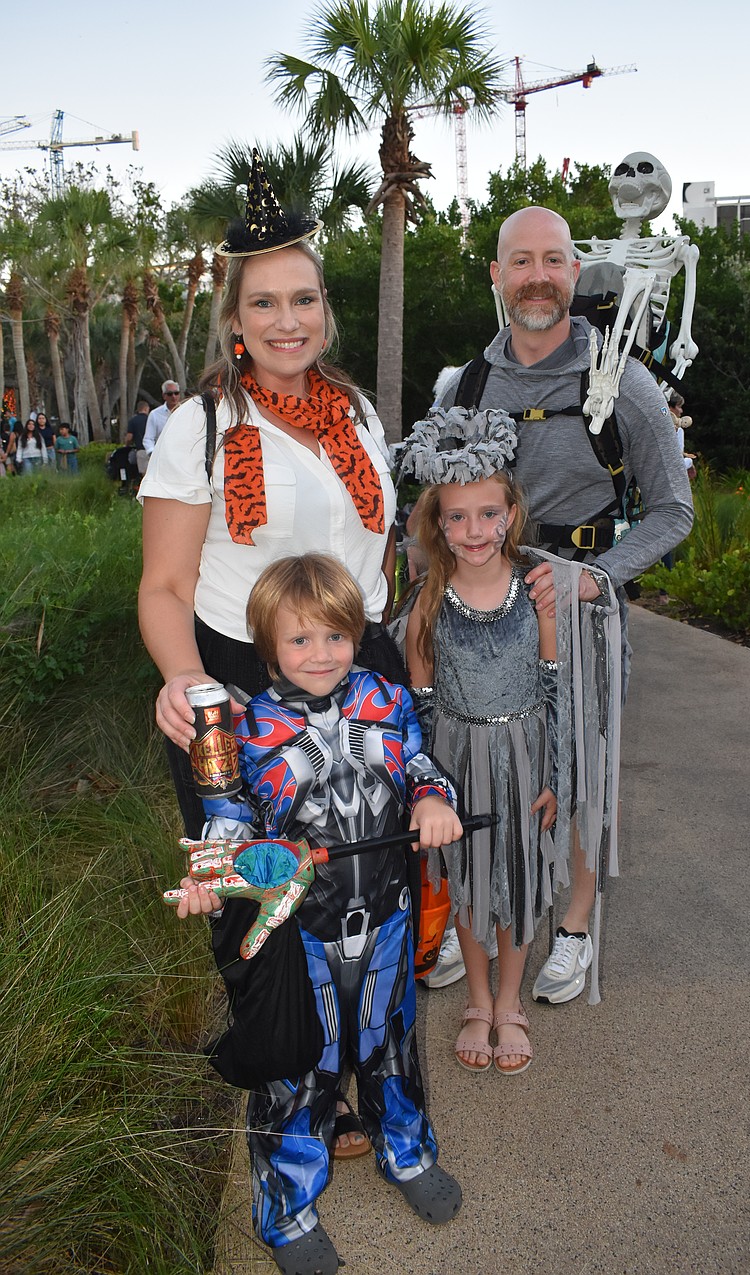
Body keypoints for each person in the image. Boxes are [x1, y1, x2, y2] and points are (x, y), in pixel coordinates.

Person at [137, 149, 405, 1160]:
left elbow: (375, 561)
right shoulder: (199, 426)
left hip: (357, 678)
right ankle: (278, 1093)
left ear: (325, 309)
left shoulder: (360, 414)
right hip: (234, 684)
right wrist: (180, 679)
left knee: (356, 896)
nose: (287, 321)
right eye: (264, 304)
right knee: (259, 897)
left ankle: (348, 1087)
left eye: (303, 299)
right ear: (235, 318)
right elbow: (163, 586)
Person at [430, 205, 694, 1005]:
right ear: (497, 276)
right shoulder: (463, 386)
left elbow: (673, 511)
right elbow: (432, 507)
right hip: (477, 612)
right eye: (520, 261)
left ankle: (572, 925)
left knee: (575, 766)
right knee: (472, 759)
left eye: (553, 260)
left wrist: (599, 576)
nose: (537, 275)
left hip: (576, 605)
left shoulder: (624, 381)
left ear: (574, 274)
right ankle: (469, 910)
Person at [175, 553, 464, 1275]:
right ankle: (286, 1205)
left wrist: (432, 798)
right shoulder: (247, 728)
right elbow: (228, 819)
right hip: (302, 932)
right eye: (299, 640)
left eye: (335, 636)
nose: (320, 654)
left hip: (388, 915)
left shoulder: (386, 699)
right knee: (303, 1067)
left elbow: (420, 763)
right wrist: (216, 873)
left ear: (356, 632)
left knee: (391, 1046)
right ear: (268, 643)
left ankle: (406, 1149)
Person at [400, 407, 564, 1074]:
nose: (475, 530)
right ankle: (475, 995)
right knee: (467, 879)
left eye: (488, 514)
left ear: (511, 513)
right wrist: (426, 789)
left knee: (517, 880)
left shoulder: (537, 593)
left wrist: (556, 774)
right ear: (438, 524)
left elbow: (554, 689)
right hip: (457, 760)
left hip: (524, 756)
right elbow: (420, 704)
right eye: (458, 517)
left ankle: (508, 1001)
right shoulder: (426, 603)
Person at [142, 380, 181, 453]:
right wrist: (152, 453)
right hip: (163, 456)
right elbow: (148, 439)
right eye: (170, 394)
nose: (173, 396)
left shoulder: (186, 412)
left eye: (176, 393)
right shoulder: (155, 414)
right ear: (164, 396)